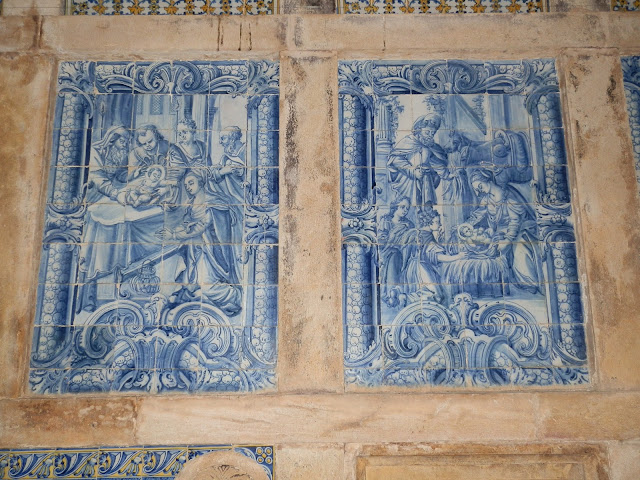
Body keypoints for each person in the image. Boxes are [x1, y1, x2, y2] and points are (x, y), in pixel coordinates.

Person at [156, 170, 242, 316]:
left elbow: (202, 225)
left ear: (201, 182)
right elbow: (187, 223)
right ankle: (190, 297)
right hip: (194, 249)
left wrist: (175, 234)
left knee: (208, 285)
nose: (188, 187)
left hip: (210, 251)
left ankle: (236, 297)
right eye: (186, 185)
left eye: (191, 183)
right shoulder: (191, 203)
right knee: (190, 282)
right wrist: (176, 231)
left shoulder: (212, 202)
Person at [463, 169, 541, 294]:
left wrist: (508, 241)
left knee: (519, 248)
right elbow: (478, 214)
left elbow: (515, 221)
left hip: (520, 230)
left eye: (480, 186)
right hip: (500, 233)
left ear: (487, 180)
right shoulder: (487, 199)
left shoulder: (508, 196)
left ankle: (529, 284)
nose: (479, 192)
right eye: (476, 190)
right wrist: (467, 224)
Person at [387, 113, 448, 208]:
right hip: (407, 180)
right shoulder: (408, 141)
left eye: (432, 133)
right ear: (419, 130)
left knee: (424, 206)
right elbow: (395, 159)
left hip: (426, 180)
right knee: (410, 206)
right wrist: (412, 171)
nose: (430, 136)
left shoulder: (430, 146)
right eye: (427, 132)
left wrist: (446, 174)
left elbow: (437, 162)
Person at [86, 125, 130, 204]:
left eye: (126, 143)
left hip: (107, 193)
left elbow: (120, 173)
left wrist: (132, 175)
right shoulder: (95, 151)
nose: (124, 145)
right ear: (112, 139)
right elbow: (98, 178)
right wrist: (115, 193)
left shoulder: (119, 154)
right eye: (122, 141)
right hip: (92, 195)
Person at [209, 126, 246, 204]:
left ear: (232, 139)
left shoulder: (246, 151)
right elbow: (212, 173)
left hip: (243, 192)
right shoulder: (225, 157)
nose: (220, 142)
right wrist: (222, 172)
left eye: (223, 138)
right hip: (231, 196)